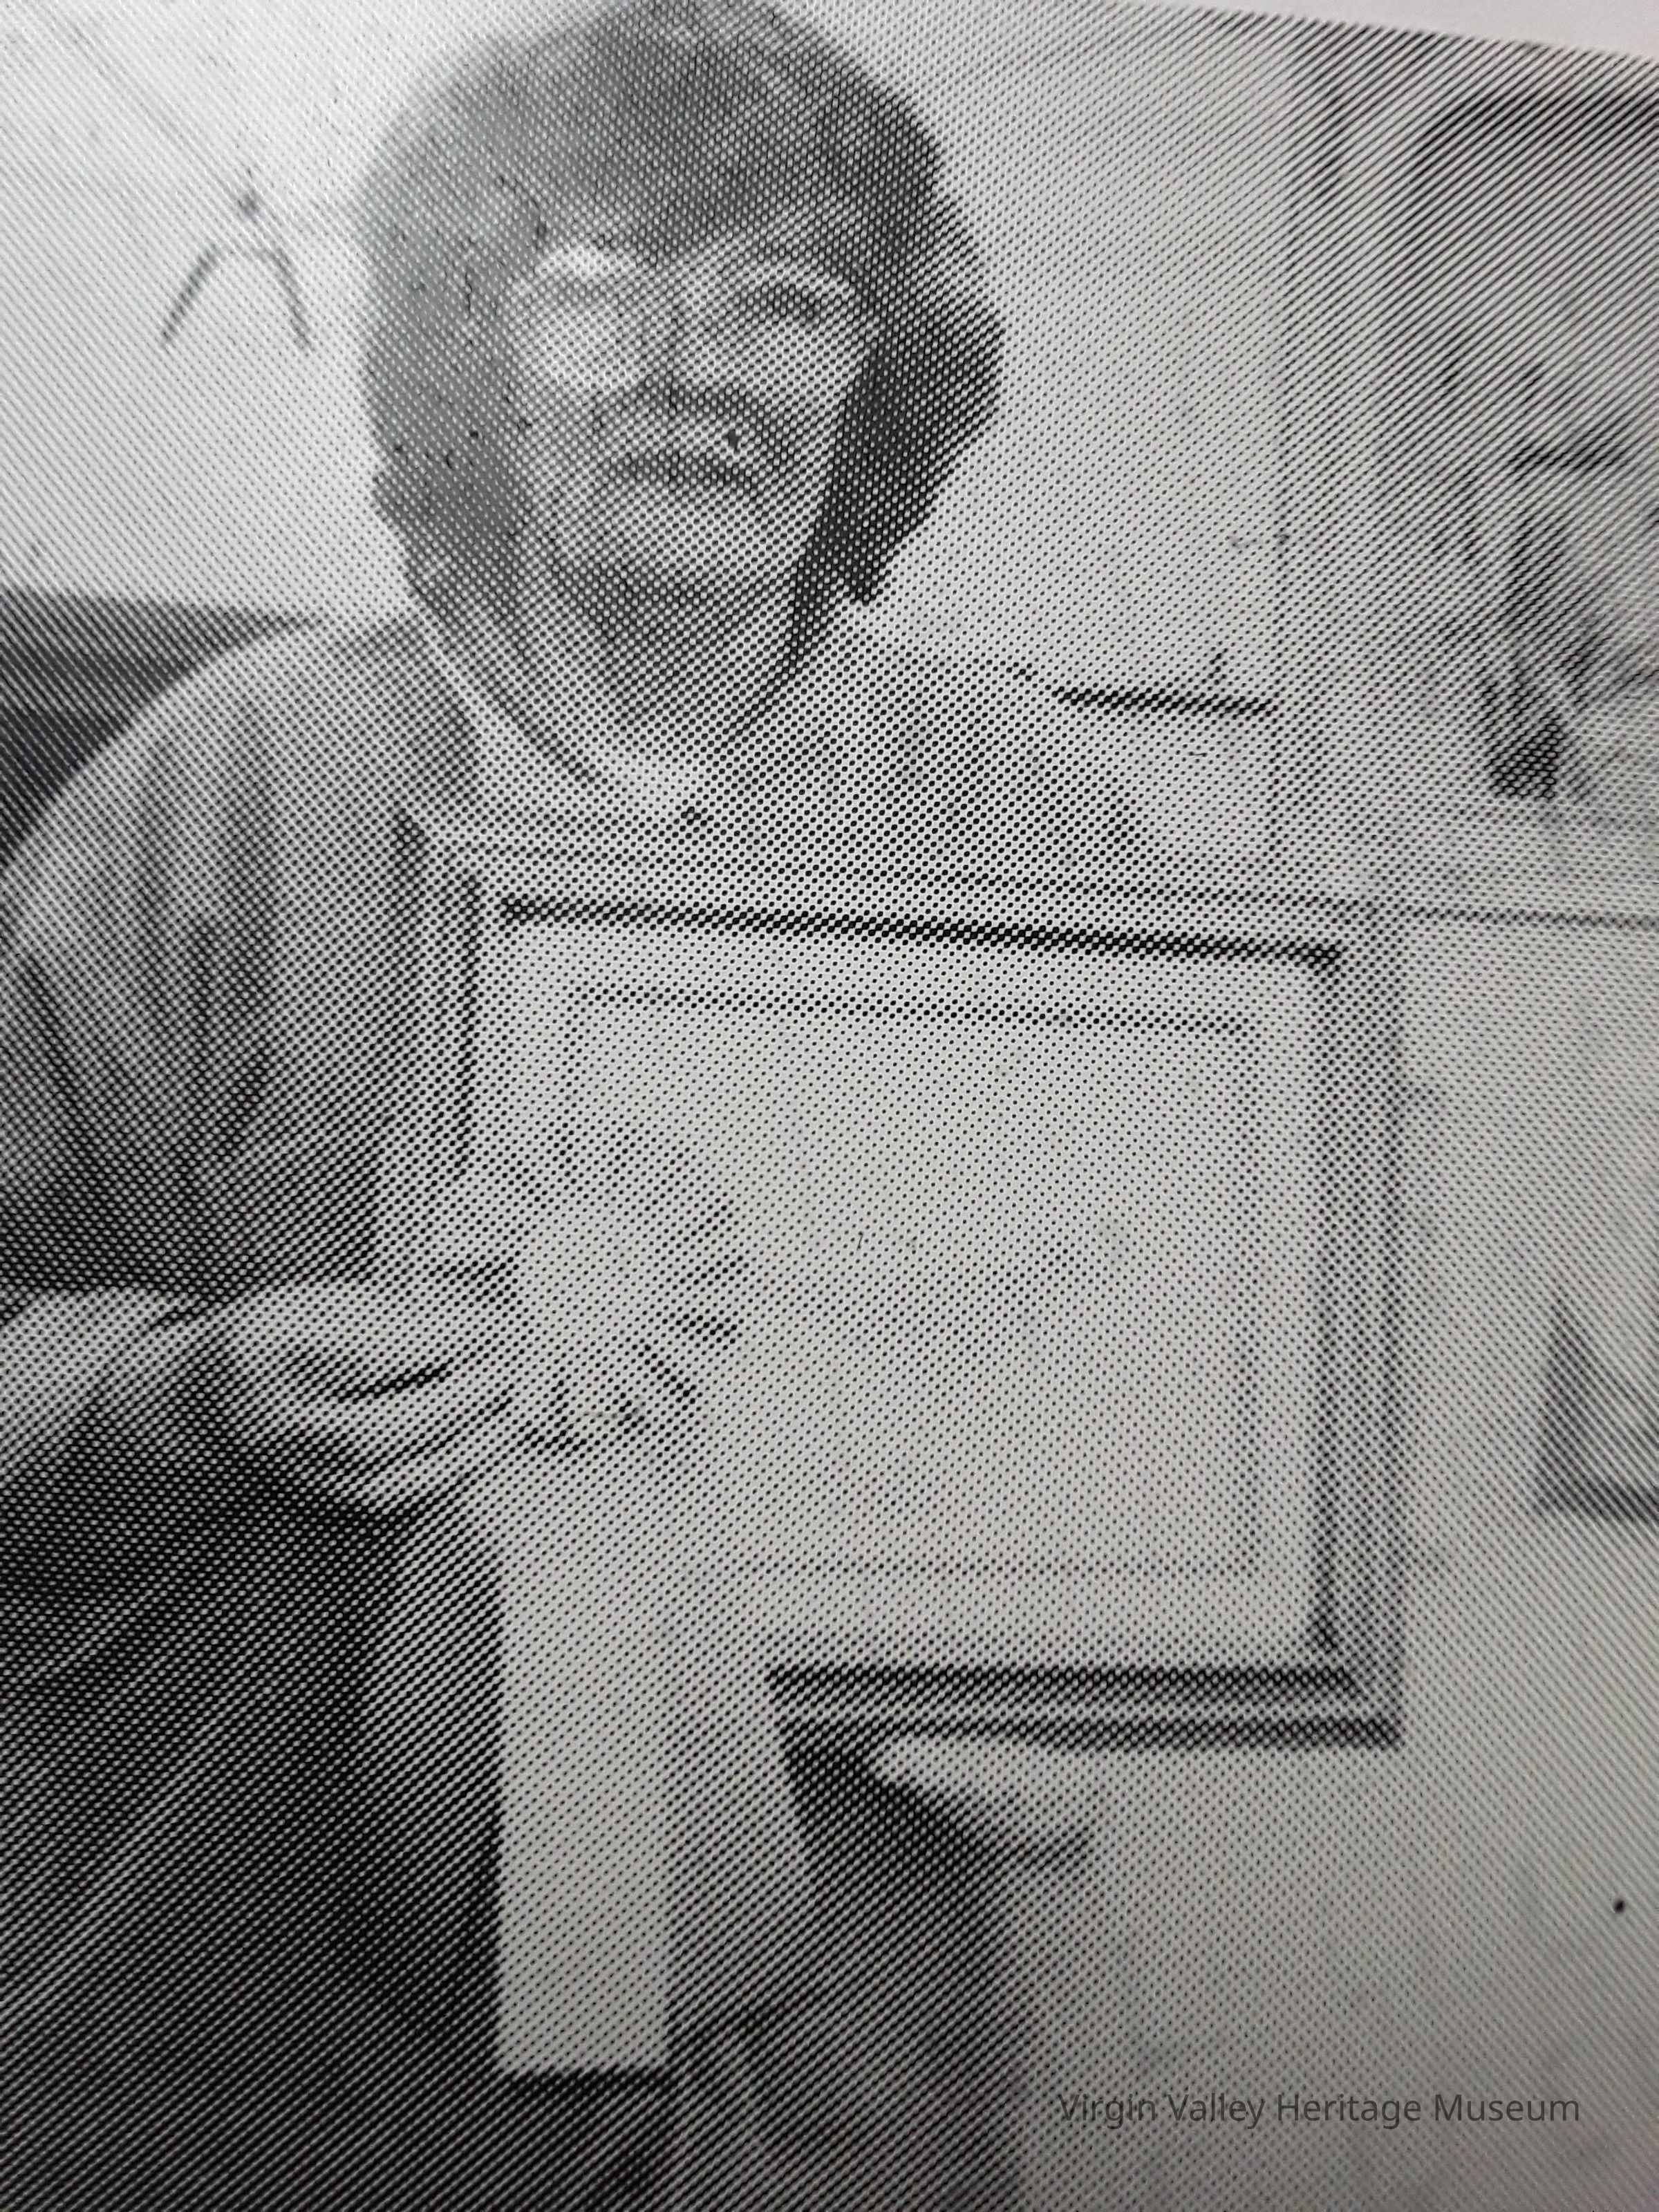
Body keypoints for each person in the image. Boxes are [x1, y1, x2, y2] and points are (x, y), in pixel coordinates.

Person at [1, 1, 1138, 2205]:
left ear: (874, 371)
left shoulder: (1037, 818)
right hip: (283, 2083)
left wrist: (1100, 1589)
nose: (695, 368)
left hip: (847, 2091)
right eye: (600, 282)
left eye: (786, 298)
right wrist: (188, 1393)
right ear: (472, 352)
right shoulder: (212, 795)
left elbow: (1160, 1374)